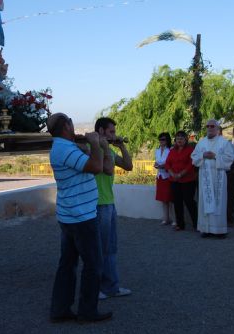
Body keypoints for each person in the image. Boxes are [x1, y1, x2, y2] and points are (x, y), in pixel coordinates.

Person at [47, 113, 112, 324]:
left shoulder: (62, 147)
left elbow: (83, 166)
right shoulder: (64, 148)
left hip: (69, 215)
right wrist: (95, 144)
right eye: (72, 123)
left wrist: (85, 148)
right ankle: (87, 311)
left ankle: (60, 309)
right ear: (66, 126)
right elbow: (95, 168)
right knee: (93, 264)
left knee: (67, 264)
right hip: (81, 216)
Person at [94, 117, 133, 300]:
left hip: (109, 204)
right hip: (98, 205)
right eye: (111, 132)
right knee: (100, 249)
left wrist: (122, 147)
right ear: (100, 131)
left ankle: (111, 286)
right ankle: (98, 288)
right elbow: (107, 169)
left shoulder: (109, 148)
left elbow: (128, 166)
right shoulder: (92, 149)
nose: (114, 135)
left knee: (111, 248)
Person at [191, 119, 234, 238]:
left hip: (218, 177)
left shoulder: (224, 142)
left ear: (217, 129)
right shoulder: (201, 143)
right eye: (208, 126)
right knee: (205, 203)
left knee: (219, 203)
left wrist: (215, 156)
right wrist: (203, 155)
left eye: (212, 126)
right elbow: (194, 158)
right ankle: (206, 229)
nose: (210, 128)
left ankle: (219, 230)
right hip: (205, 177)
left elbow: (230, 159)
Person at [165, 130, 198, 231]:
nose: (179, 140)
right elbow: (167, 164)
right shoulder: (172, 151)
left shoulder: (190, 150)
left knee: (189, 201)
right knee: (177, 202)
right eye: (177, 138)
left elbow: (191, 164)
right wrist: (172, 173)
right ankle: (180, 224)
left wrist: (181, 174)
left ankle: (196, 223)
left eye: (181, 138)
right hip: (174, 180)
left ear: (185, 140)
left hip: (188, 180)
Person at [154, 132, 174, 225]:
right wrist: (156, 165)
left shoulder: (170, 150)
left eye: (163, 139)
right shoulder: (157, 150)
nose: (161, 141)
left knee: (170, 199)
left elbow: (171, 163)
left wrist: (163, 166)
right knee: (163, 199)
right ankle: (166, 218)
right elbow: (157, 161)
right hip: (160, 176)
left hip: (168, 176)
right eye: (160, 139)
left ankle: (174, 219)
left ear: (167, 140)